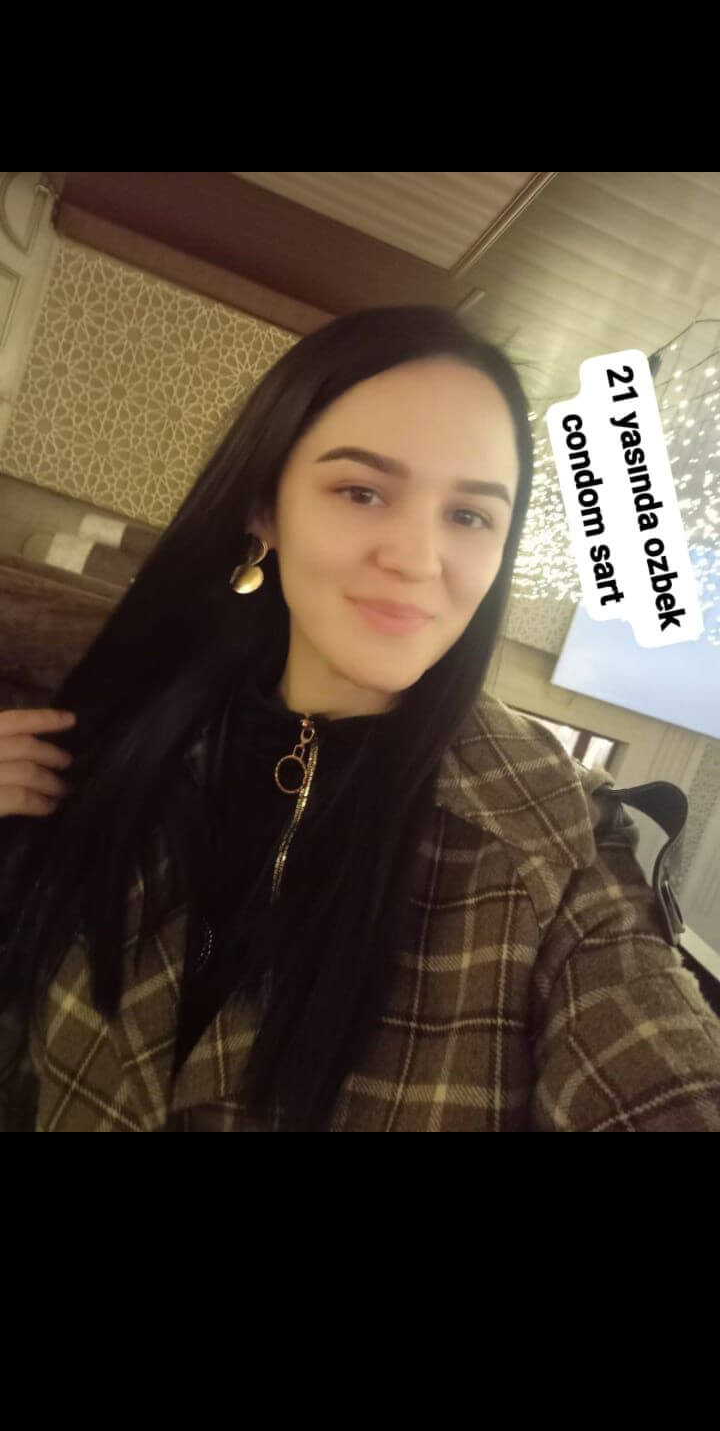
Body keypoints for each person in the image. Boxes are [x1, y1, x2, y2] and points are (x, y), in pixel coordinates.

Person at [1, 305, 719, 1132]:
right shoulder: (117, 744)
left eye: (469, 515)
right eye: (362, 491)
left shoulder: (565, 853)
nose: (416, 559)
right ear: (264, 509)